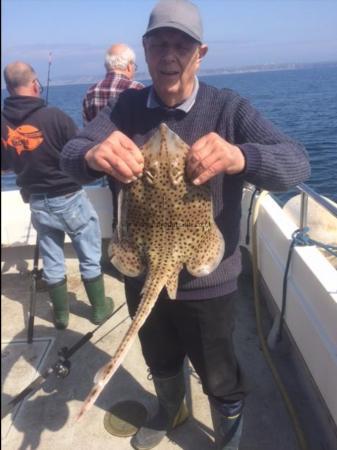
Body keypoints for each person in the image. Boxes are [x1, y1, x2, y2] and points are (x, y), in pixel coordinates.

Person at [61, 1, 311, 448]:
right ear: (146, 49)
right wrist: (88, 154)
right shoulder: (125, 107)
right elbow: (71, 154)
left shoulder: (228, 108)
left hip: (208, 282)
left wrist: (241, 157)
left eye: (182, 45)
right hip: (142, 264)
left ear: (201, 53)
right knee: (158, 357)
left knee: (219, 375)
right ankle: (172, 411)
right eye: (160, 44)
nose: (170, 55)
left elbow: (296, 162)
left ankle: (228, 439)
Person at [1, 61, 114, 330]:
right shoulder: (55, 116)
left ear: (8, 88)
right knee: (88, 251)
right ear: (35, 84)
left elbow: (5, 165)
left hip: (37, 201)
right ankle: (98, 308)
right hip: (69, 197)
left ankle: (61, 316)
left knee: (52, 259)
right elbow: (79, 154)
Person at [82, 43, 144, 125]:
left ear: (106, 66)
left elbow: (87, 130)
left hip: (97, 137)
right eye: (134, 67)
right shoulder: (137, 89)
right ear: (129, 66)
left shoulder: (90, 92)